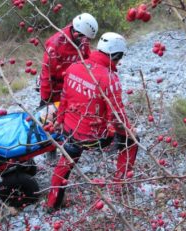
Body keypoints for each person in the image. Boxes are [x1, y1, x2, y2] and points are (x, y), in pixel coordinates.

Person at [46, 32, 139, 211]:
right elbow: (117, 118)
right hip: (94, 137)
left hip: (70, 130)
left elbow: (64, 99)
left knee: (67, 157)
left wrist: (60, 122)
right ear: (117, 56)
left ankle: (52, 203)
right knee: (132, 140)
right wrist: (129, 131)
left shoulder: (74, 67)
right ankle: (120, 185)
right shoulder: (109, 79)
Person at [39, 12, 98, 107]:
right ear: (77, 33)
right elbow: (47, 74)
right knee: (50, 116)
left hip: (72, 85)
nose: (86, 42)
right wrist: (46, 99)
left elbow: (87, 59)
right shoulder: (55, 45)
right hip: (55, 88)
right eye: (85, 38)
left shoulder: (82, 41)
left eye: (88, 39)